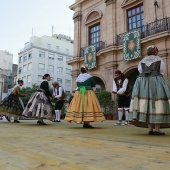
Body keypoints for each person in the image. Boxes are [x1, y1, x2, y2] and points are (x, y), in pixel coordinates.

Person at [129, 45, 170, 135]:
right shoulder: (159, 60)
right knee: (157, 103)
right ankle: (157, 129)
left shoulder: (142, 61)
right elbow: (162, 71)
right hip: (156, 81)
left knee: (146, 104)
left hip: (143, 82)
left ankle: (150, 129)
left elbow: (140, 71)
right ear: (155, 51)